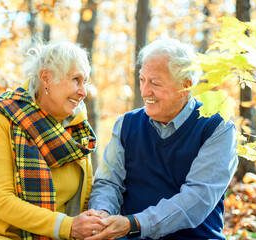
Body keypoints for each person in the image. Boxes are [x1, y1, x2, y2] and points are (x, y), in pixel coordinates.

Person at [87, 38, 238, 240]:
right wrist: (102, 215)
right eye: (142, 80)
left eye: (155, 83)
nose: (144, 91)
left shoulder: (217, 127)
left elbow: (197, 198)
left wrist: (134, 224)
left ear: (186, 86)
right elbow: (108, 183)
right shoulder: (126, 124)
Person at [0, 40, 105, 240]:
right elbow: (1, 201)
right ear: (46, 78)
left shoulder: (78, 132)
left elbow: (82, 202)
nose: (83, 91)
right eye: (75, 79)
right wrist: (67, 226)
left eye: (85, 81)